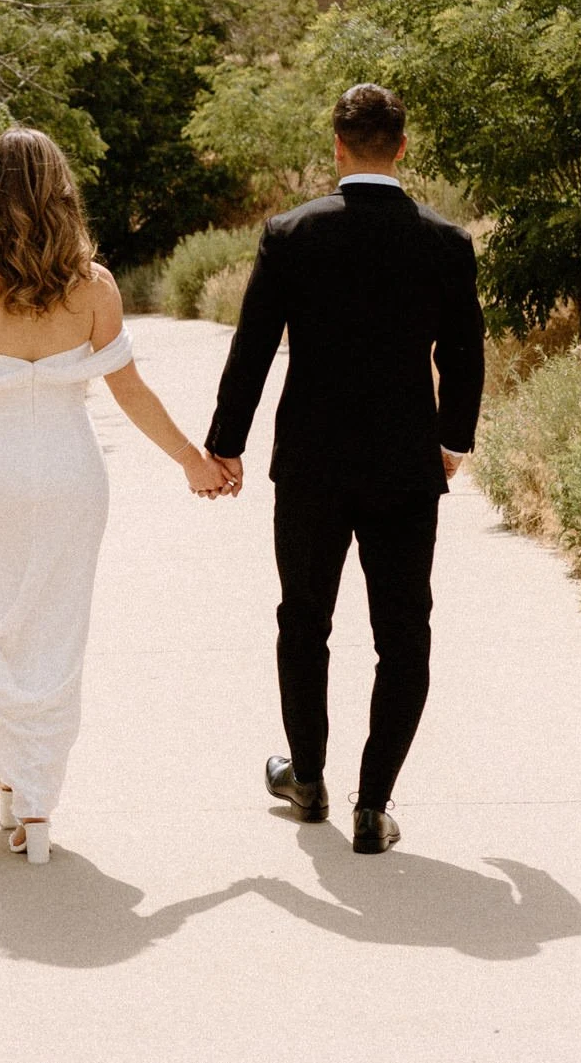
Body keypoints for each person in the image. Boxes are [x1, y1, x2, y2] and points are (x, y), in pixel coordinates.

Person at [0, 128, 229, 864]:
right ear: (61, 191)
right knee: (56, 632)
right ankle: (35, 803)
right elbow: (127, 389)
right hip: (72, 471)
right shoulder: (94, 285)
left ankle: (15, 777)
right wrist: (191, 460)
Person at [204, 82, 485, 856]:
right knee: (404, 634)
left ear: (337, 147)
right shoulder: (445, 243)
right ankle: (373, 801)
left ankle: (308, 778)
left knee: (304, 620)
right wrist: (451, 443)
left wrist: (224, 443)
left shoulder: (291, 234)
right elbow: (464, 356)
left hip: (311, 465)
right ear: (402, 146)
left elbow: (253, 348)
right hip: (404, 464)